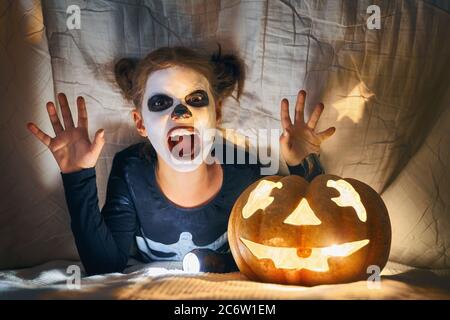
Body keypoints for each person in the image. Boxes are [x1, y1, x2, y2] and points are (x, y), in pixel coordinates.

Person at [26, 46, 335, 275]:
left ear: (216, 114)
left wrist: (304, 165)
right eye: (161, 102)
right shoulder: (131, 171)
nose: (181, 112)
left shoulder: (246, 172)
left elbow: (303, 239)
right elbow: (106, 266)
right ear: (141, 123)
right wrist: (77, 175)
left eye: (196, 100)